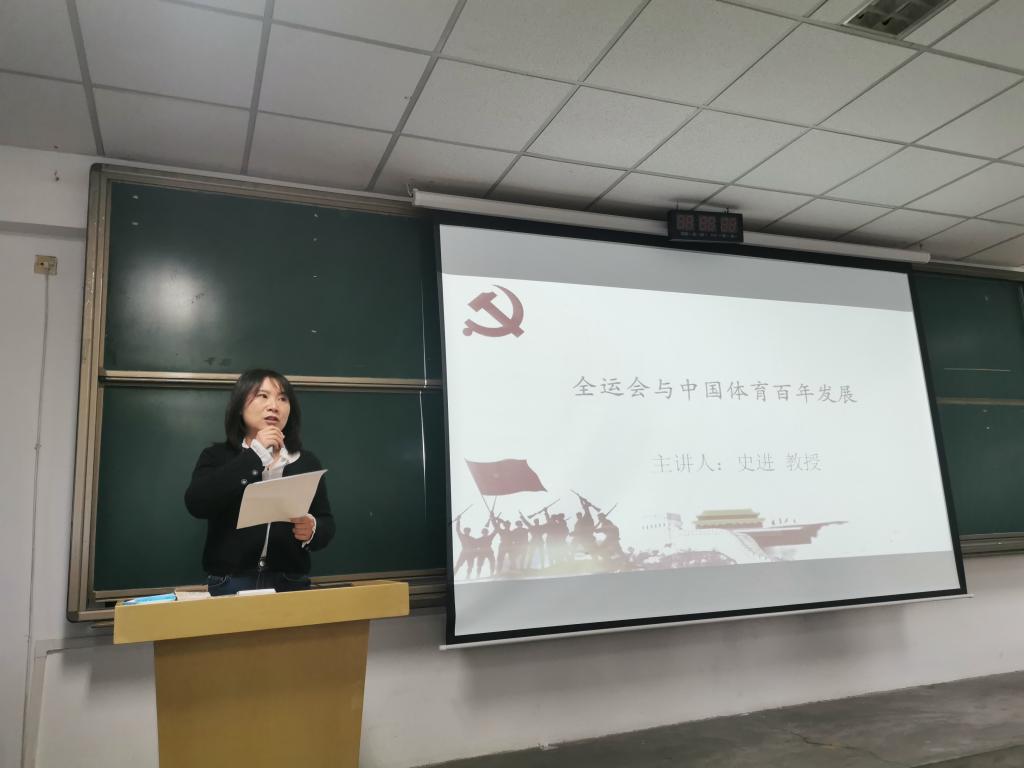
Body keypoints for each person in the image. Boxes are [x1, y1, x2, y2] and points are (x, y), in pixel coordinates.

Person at [184, 369, 335, 596]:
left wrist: (313, 529)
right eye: (263, 396)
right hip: (230, 581)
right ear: (239, 405)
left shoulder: (306, 461)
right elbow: (197, 504)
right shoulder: (217, 456)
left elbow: (326, 521)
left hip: (289, 581)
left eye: (282, 398)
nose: (274, 406)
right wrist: (254, 457)